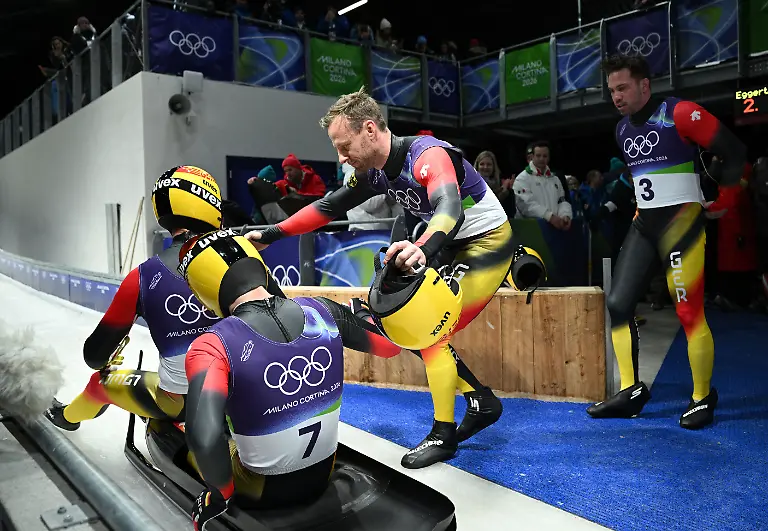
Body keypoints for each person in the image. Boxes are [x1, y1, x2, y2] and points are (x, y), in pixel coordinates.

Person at [244, 87, 510, 469]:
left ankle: (443, 434)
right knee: (411, 323)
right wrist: (272, 234)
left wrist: (423, 247)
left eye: (343, 145)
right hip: (447, 245)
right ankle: (481, 402)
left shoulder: (426, 155)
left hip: (486, 245)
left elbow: (449, 207)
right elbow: (328, 204)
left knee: (429, 329)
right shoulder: (373, 173)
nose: (340, 156)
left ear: (370, 129)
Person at [175, 229, 402, 531]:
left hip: (260, 489)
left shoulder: (210, 346)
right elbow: (390, 346)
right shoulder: (324, 309)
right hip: (323, 474)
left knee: (192, 431)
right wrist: (377, 300)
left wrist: (218, 496)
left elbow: (203, 438)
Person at [44, 166, 286, 431]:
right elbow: (284, 318)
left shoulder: (141, 277)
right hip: (259, 390)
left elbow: (94, 357)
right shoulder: (245, 254)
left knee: (99, 383)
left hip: (185, 401)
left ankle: (67, 418)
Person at [588, 54, 748, 429]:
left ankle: (702, 396)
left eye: (623, 87)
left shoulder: (680, 113)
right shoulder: (622, 130)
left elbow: (735, 151)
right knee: (618, 303)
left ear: (645, 85)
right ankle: (630, 391)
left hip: (683, 224)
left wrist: (724, 200)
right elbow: (643, 179)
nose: (616, 96)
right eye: (611, 90)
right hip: (645, 225)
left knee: (689, 314)